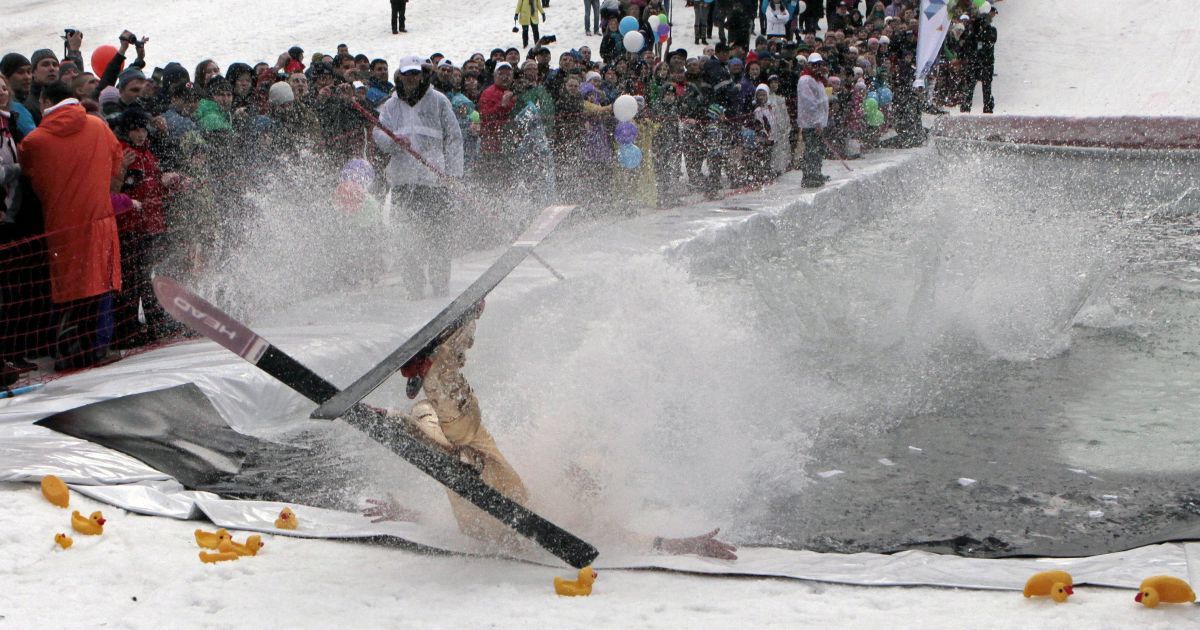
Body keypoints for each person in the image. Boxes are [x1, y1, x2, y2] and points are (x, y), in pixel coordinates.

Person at [362, 306, 739, 561]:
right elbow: (441, 516)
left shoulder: (587, 520)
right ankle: (433, 374)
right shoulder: (542, 499)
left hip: (478, 519)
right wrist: (407, 513)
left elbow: (646, 542)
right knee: (458, 439)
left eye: (586, 479)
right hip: (484, 512)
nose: (581, 480)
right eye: (581, 475)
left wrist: (688, 545)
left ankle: (420, 393)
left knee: (454, 438)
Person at [19, 81, 124, 369]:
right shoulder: (99, 127)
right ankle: (100, 349)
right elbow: (116, 166)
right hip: (100, 221)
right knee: (100, 284)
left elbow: (30, 178)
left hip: (60, 228)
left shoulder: (33, 142)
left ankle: (69, 353)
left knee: (67, 289)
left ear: (44, 102)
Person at [373, 55, 463, 299]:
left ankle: (440, 283)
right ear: (399, 76)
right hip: (403, 181)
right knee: (405, 237)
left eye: (415, 74)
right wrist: (393, 142)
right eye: (406, 74)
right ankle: (414, 286)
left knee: (439, 237)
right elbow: (378, 134)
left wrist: (454, 173)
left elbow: (454, 138)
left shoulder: (438, 101)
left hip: (434, 181)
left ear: (422, 75)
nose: (411, 78)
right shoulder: (391, 106)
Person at [795, 52, 828, 187]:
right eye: (815, 65)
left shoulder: (817, 79)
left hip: (820, 121)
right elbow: (809, 103)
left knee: (818, 149)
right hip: (812, 123)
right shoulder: (806, 80)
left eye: (819, 64)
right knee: (811, 149)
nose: (817, 67)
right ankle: (809, 176)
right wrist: (817, 122)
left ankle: (816, 172)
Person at [959, 7, 996, 113]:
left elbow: (991, 40)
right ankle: (966, 105)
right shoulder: (972, 33)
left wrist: (982, 32)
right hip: (974, 62)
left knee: (986, 85)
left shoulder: (991, 30)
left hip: (986, 62)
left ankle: (988, 105)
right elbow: (965, 44)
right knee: (970, 85)